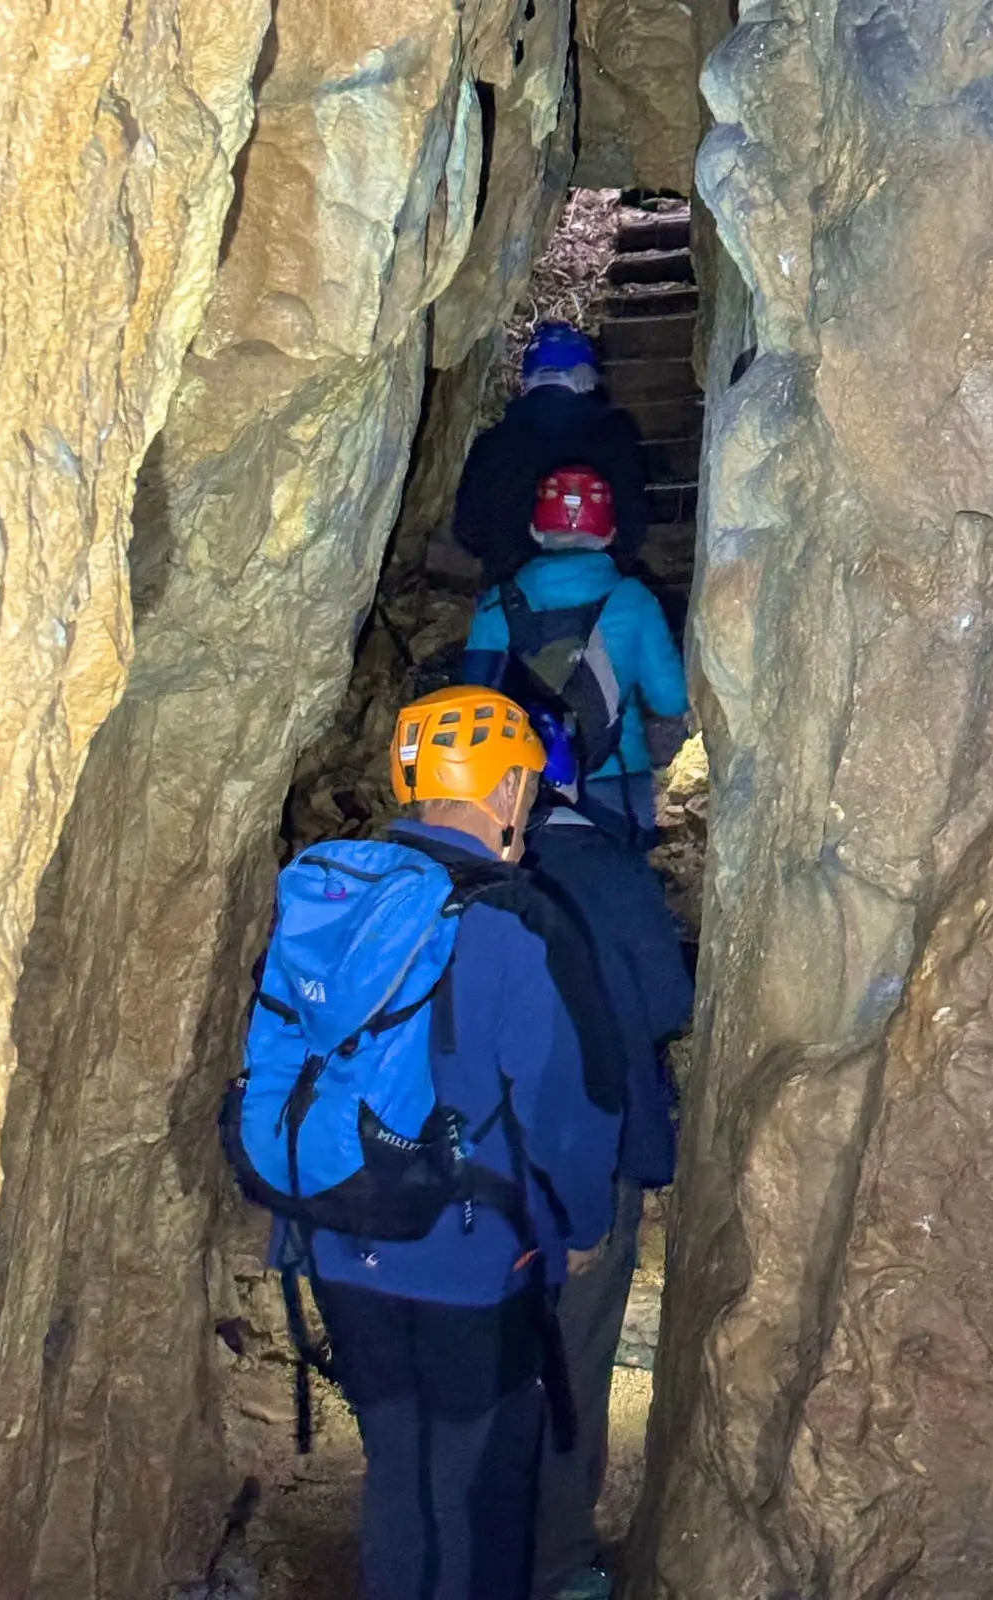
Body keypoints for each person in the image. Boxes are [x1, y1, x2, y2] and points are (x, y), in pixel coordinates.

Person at [230, 687, 623, 1600]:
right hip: (467, 1257)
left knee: (398, 1464)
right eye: (523, 780)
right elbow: (572, 1103)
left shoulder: (336, 895)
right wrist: (581, 1224)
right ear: (502, 790)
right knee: (475, 1481)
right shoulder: (517, 921)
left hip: (339, 1231)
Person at [524, 771, 695, 1600]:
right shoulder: (612, 870)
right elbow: (669, 1000)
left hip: (477, 1172)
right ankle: (555, 1561)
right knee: (574, 1358)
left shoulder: (457, 872)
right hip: (603, 1152)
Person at [460, 466, 690, 846]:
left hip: (519, 789)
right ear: (610, 534)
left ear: (535, 531)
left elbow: (472, 696)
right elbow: (670, 698)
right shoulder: (632, 600)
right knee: (618, 884)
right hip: (614, 778)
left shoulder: (499, 604)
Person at [453, 320, 650, 583]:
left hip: (513, 597)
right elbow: (633, 527)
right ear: (586, 377)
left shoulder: (491, 445)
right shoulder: (615, 440)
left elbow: (468, 532)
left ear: (528, 378)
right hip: (599, 591)